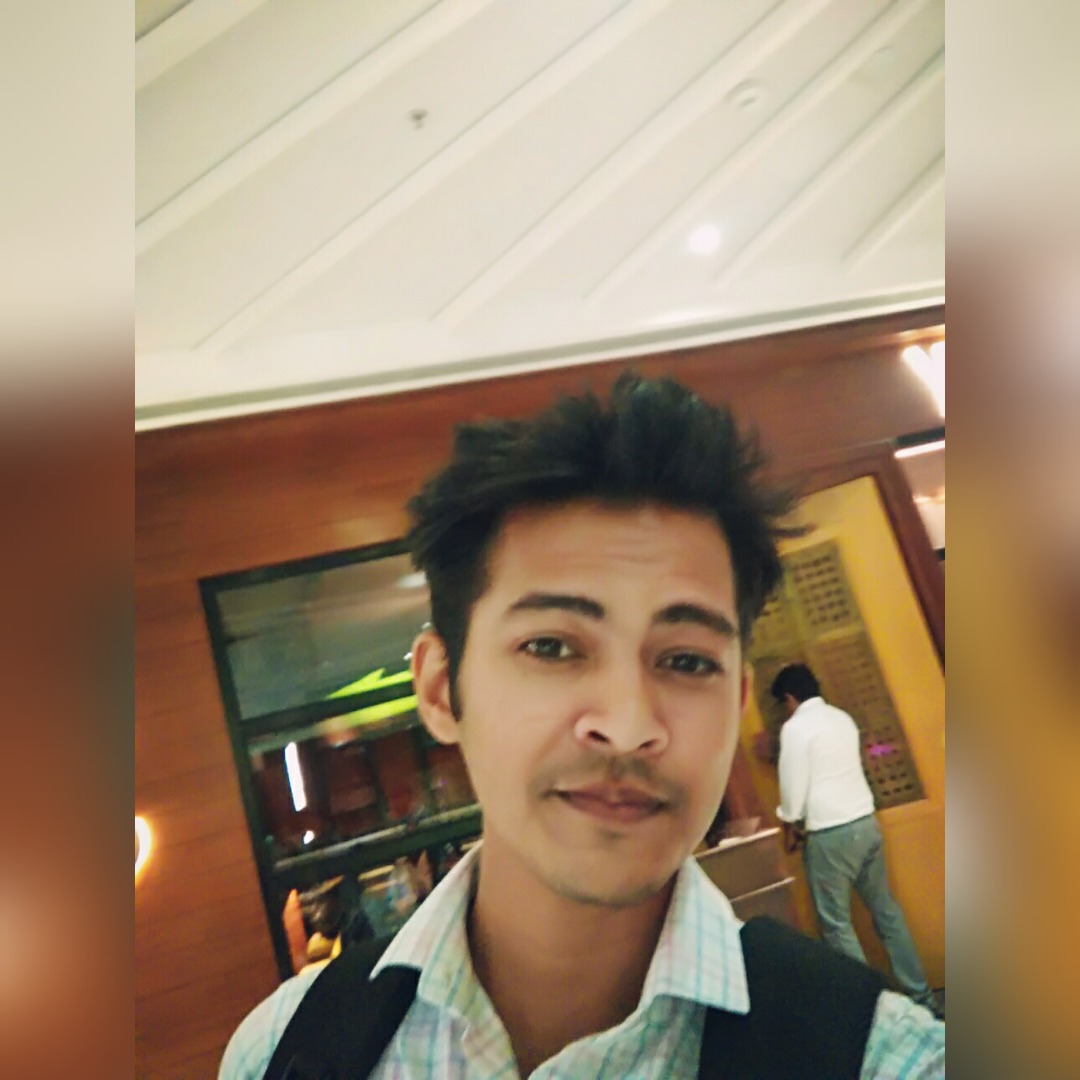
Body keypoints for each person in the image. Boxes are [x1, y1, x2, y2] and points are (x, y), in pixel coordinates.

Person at [220, 375, 944, 1079]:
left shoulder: (884, 1059)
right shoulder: (287, 1049)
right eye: (551, 647)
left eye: (687, 661)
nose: (628, 727)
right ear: (441, 689)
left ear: (737, 702)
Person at [771, 662, 939, 1015]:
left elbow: (793, 790)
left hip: (831, 834)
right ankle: (922, 997)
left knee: (835, 925)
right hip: (866, 824)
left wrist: (789, 820)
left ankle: (872, 1012)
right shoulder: (841, 718)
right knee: (887, 913)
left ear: (789, 698)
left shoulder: (796, 728)